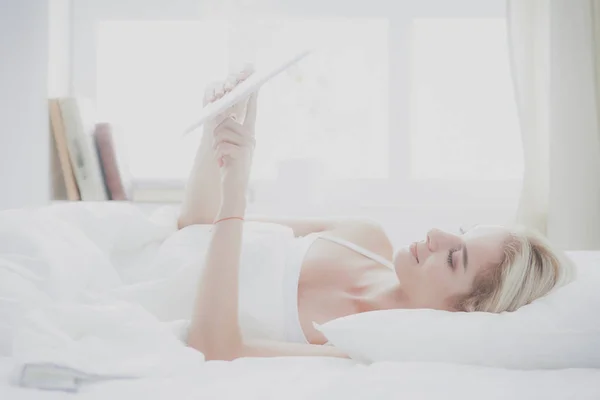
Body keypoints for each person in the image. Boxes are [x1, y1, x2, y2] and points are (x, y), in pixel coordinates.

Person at [180, 67, 574, 361]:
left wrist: (236, 188)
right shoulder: (362, 236)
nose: (436, 235)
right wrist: (216, 130)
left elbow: (214, 347)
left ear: (463, 312)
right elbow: (197, 227)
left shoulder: (360, 346)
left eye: (455, 257)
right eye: (459, 232)